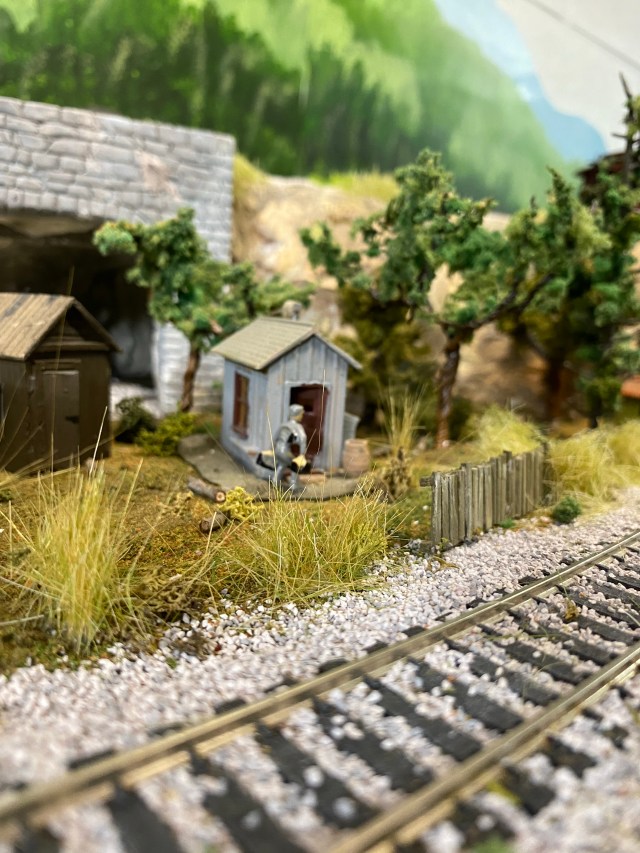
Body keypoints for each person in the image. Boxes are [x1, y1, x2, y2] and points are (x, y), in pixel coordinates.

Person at [273, 403, 308, 490]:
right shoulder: (298, 427)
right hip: (284, 451)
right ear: (297, 415)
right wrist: (301, 455)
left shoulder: (284, 425)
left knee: (282, 464)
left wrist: (272, 449)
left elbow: (275, 438)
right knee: (295, 464)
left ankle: (275, 481)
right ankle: (293, 484)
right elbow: (303, 440)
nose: (302, 416)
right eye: (301, 414)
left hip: (278, 450)